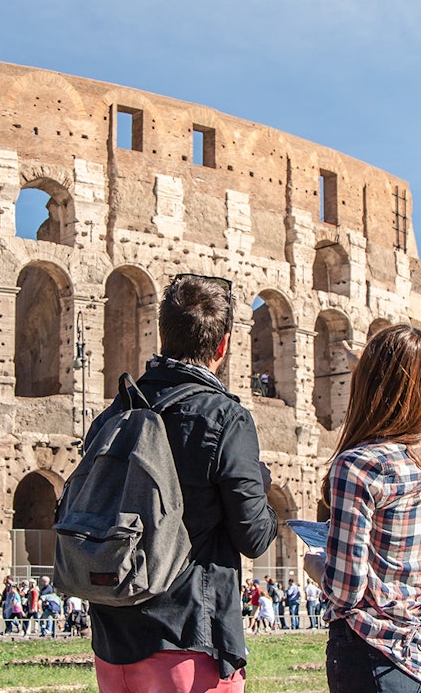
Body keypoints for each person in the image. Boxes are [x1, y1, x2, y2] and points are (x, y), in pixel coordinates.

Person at [87, 274, 278, 690]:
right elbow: (254, 537)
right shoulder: (225, 418)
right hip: (188, 635)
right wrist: (260, 490)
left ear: (162, 333)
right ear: (223, 345)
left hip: (112, 639)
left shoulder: (115, 412)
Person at [307, 324, 421, 693]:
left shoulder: (358, 467)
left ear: (368, 386)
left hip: (373, 653)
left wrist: (317, 566)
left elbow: (346, 590)